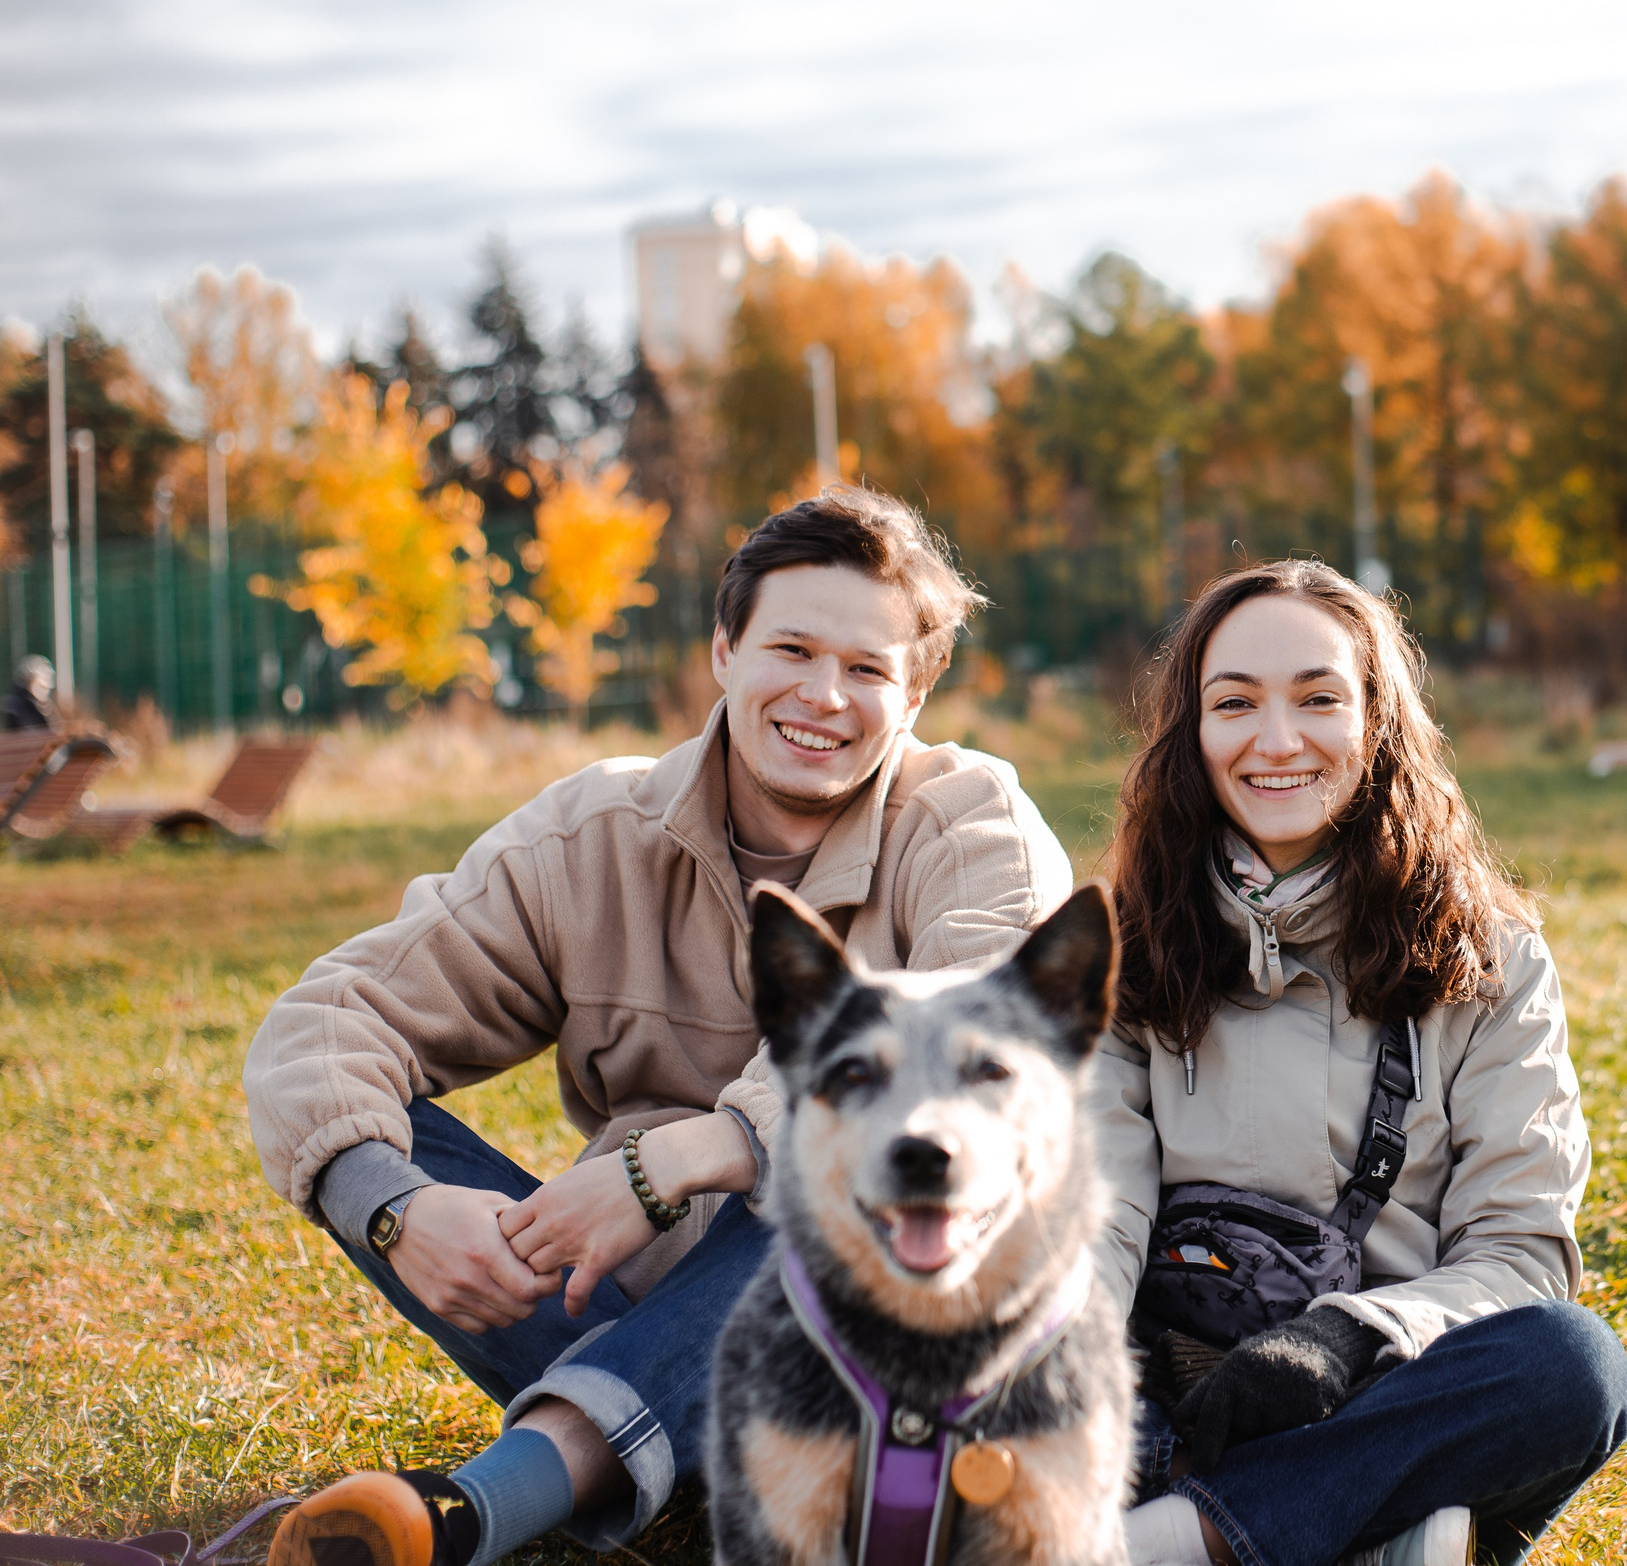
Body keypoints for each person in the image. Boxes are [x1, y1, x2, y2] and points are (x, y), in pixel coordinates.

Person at [243, 488, 1074, 1566]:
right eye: (792, 649)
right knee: (367, 1131)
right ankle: (639, 1412)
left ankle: (479, 1509)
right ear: (724, 651)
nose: (824, 696)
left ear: (915, 694)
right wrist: (395, 1208)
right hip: (629, 1295)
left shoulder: (971, 822)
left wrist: (679, 1161)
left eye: (868, 670)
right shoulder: (597, 829)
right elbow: (327, 1020)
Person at [1098, 561, 1627, 1566]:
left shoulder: (1493, 959)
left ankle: (1178, 1542)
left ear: (1380, 720)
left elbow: (1520, 1252)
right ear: (1190, 735)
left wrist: (1340, 1341)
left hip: (1380, 1388)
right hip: (1162, 1400)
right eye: (1234, 704)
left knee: (1572, 1367)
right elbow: (1100, 1212)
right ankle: (1363, 1529)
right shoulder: (1122, 950)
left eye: (1319, 699)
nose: (1277, 740)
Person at [4, 655, 59, 731]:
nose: (48, 685)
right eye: (44, 680)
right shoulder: (15, 704)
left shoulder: (45, 705)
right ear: (30, 680)